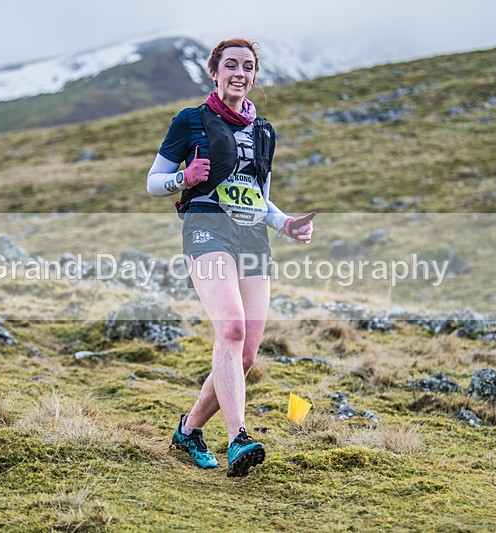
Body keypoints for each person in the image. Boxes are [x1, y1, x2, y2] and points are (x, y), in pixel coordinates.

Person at [146, 38, 314, 477]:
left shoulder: (264, 132)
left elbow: (260, 197)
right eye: (232, 65)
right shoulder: (189, 121)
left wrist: (285, 223)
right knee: (231, 327)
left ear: (255, 75)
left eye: (249, 66)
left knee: (245, 355)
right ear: (214, 71)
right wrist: (183, 177)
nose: (240, 72)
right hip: (206, 227)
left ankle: (189, 430)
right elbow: (153, 181)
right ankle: (238, 436)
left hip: (252, 237)